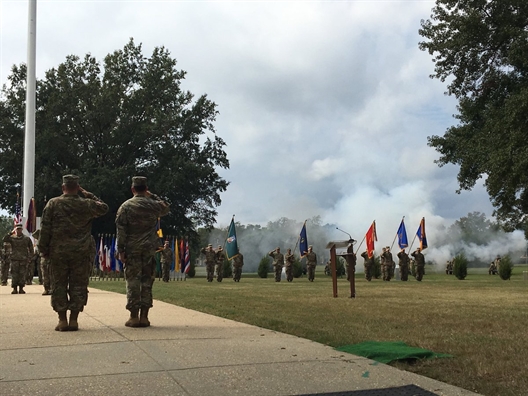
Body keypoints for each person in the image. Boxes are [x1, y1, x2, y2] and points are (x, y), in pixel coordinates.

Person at [39, 175, 108, 331]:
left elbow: (45, 229)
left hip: (58, 252)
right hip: (81, 252)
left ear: (63, 187)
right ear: (77, 188)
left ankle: (62, 320)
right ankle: (74, 319)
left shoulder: (53, 203)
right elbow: (104, 207)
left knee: (59, 285)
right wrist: (88, 194)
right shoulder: (87, 204)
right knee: (78, 285)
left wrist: (43, 249)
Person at [116, 176, 169, 328]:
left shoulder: (125, 206)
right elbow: (166, 207)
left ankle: (133, 317)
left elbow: (121, 230)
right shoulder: (153, 205)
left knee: (133, 282)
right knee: (147, 282)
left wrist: (120, 250)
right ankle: (144, 317)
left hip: (132, 249)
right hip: (149, 249)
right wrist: (152, 196)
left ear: (132, 189)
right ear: (146, 189)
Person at [3, 223, 33, 294]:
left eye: (20, 229)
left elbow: (31, 248)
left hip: (23, 258)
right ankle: (14, 288)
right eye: (17, 229)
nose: (18, 231)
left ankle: (21, 288)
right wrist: (11, 232)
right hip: (14, 259)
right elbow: (4, 239)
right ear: (15, 230)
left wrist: (30, 257)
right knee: (14, 274)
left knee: (22, 274)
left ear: (22, 230)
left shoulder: (26, 238)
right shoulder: (12, 238)